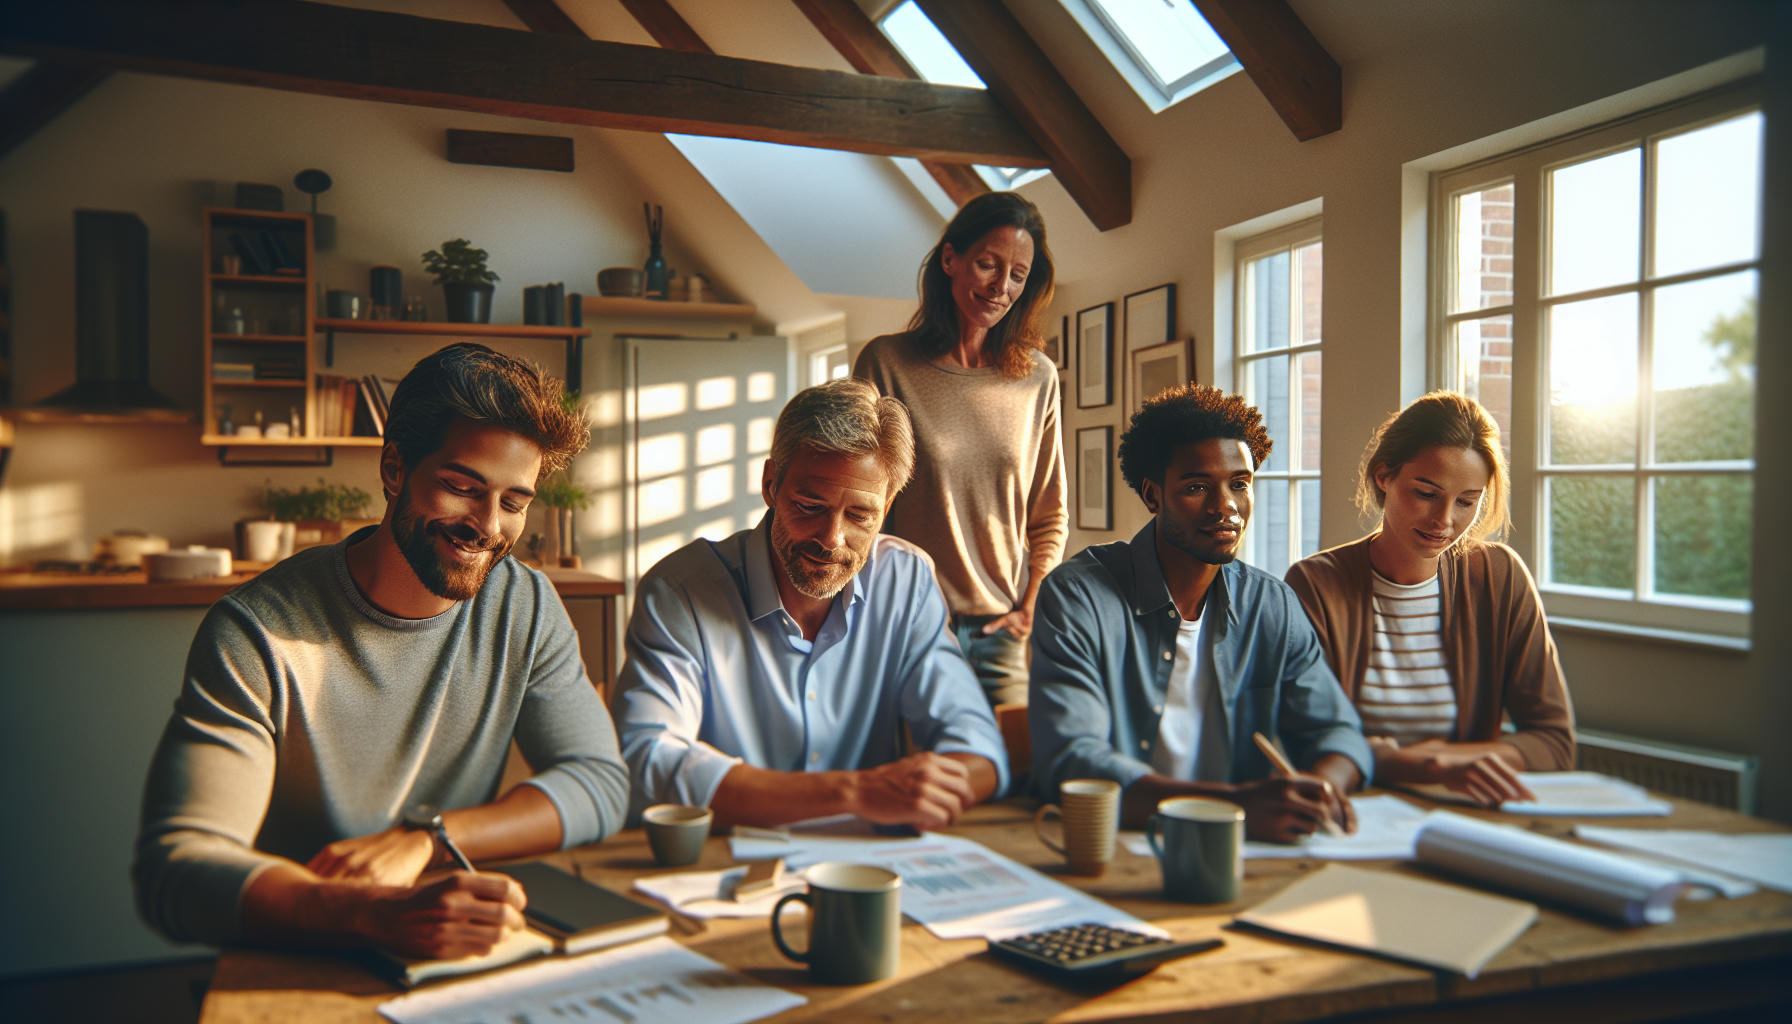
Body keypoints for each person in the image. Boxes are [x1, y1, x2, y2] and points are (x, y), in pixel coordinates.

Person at [134, 343, 629, 960]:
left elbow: (601, 785)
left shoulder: (524, 605)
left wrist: (427, 839)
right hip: (301, 951)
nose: (487, 526)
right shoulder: (256, 631)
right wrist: (366, 911)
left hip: (451, 946)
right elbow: (176, 869)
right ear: (394, 469)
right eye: (460, 487)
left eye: (513, 503)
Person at [612, 378, 1008, 829]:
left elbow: (980, 751)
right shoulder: (679, 590)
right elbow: (647, 759)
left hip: (870, 867)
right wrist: (854, 793)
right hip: (723, 864)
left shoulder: (907, 580)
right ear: (770, 484)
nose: (831, 539)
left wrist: (933, 786)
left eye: (860, 515)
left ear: (887, 504)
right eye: (808, 505)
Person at [1029, 384, 1371, 842]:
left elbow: (1340, 733)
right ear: (1154, 496)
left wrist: (1323, 790)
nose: (1225, 507)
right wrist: (1236, 807)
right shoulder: (1078, 598)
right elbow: (1073, 761)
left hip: (1250, 850)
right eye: (1196, 487)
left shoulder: (1272, 605)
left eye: (1240, 484)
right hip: (1120, 845)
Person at [1284, 391, 1573, 806]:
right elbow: (1302, 741)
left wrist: (1430, 761)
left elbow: (1553, 743)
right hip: (1352, 807)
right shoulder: (1314, 585)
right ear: (1384, 476)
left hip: (1466, 812)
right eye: (1426, 493)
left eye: (1467, 502)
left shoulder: (1500, 577)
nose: (1444, 520)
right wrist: (1415, 766)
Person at [854, 191, 1067, 708]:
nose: (1001, 287)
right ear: (950, 259)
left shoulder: (1037, 377)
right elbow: (859, 502)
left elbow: (1048, 513)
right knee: (923, 780)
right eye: (988, 265)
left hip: (1003, 634)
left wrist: (1032, 605)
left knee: (1015, 779)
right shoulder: (887, 363)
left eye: (1018, 274)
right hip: (911, 625)